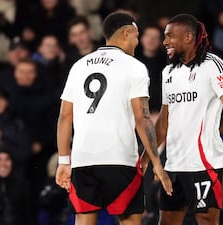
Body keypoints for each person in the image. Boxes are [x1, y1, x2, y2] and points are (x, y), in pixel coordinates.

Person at [141, 14, 223, 225]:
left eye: (170, 36)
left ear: (188, 37)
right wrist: (147, 157)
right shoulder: (168, 72)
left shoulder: (213, 65)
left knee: (207, 220)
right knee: (167, 221)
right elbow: (164, 119)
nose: (165, 42)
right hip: (174, 164)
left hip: (205, 163)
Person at [55, 11, 173, 225]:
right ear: (126, 33)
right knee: (129, 220)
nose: (137, 42)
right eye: (137, 36)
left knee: (83, 219)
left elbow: (64, 116)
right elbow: (142, 117)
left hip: (83, 159)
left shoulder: (79, 65)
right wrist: (156, 161)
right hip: (120, 159)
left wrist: (64, 161)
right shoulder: (134, 67)